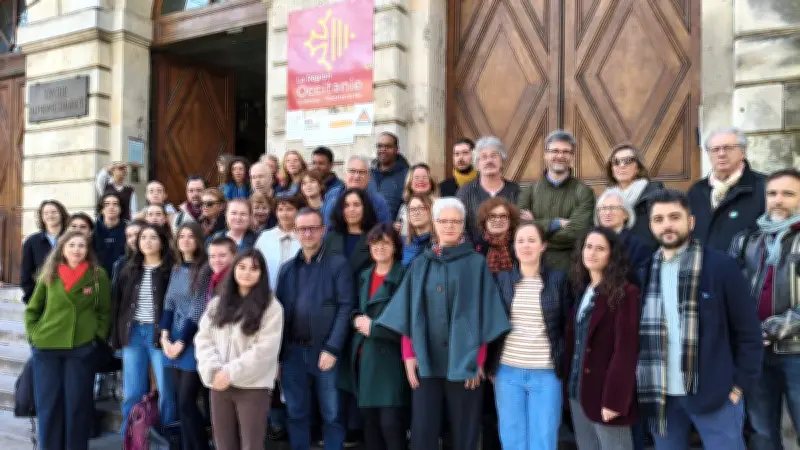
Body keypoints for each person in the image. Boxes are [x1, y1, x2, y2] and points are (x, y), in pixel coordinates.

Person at [375, 197, 511, 450]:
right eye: (444, 221)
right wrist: (408, 355)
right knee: (423, 432)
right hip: (426, 360)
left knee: (465, 433)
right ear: (434, 223)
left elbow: (485, 313)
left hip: (465, 362)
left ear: (463, 225)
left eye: (456, 221)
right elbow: (408, 310)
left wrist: (479, 360)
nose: (450, 226)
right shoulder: (420, 263)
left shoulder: (476, 263)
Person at [637, 189, 762, 449]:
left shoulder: (721, 267)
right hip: (662, 396)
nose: (667, 225)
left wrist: (739, 386)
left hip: (716, 394)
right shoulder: (644, 272)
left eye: (674, 217)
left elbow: (749, 332)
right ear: (651, 226)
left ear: (690, 221)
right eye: (659, 219)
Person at [729, 169, 800, 450]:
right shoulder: (746, 240)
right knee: (762, 433)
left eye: (788, 193)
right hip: (756, 353)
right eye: (772, 193)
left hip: (796, 352)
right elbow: (730, 292)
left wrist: (768, 329)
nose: (778, 200)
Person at [275, 207, 355, 450]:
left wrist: (332, 348)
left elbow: (346, 308)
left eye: (312, 228)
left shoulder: (338, 265)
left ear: (323, 230)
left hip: (326, 352)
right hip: (292, 353)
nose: (307, 233)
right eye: (302, 229)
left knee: (331, 414)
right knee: (296, 413)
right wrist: (278, 357)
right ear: (296, 232)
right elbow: (279, 315)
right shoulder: (287, 269)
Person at [24, 230, 111, 450]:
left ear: (87, 249)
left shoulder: (97, 275)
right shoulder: (50, 273)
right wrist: (33, 335)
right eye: (71, 245)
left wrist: (96, 337)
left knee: (78, 405)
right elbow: (33, 309)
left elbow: (105, 311)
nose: (76, 250)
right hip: (47, 347)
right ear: (62, 248)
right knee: (49, 405)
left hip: (81, 348)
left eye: (81, 246)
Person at [489, 223, 570, 450]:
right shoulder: (502, 280)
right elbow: (493, 325)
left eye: (532, 240)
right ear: (513, 247)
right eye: (520, 241)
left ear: (543, 246)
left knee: (543, 440)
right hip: (508, 372)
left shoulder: (558, 280)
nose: (526, 246)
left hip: (546, 372)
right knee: (512, 439)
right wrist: (491, 365)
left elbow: (566, 327)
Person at [195, 249, 284, 450]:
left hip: (252, 387)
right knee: (224, 445)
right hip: (219, 384)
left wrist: (230, 372)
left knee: (251, 445)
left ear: (262, 273)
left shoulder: (271, 307)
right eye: (241, 267)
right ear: (233, 269)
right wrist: (213, 369)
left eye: (254, 268)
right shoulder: (218, 304)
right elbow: (203, 339)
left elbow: (264, 350)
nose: (246, 273)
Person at [565, 227, 640, 450]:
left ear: (612, 255)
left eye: (600, 248)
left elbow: (625, 350)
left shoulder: (626, 293)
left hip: (606, 395)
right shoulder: (582, 289)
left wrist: (615, 400)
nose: (592, 253)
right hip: (578, 391)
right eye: (588, 247)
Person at [339, 224, 409, 450]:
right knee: (369, 426)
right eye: (375, 243)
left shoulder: (404, 275)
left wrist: (375, 328)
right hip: (363, 358)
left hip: (390, 359)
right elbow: (351, 307)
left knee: (390, 425)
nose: (380, 247)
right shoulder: (364, 275)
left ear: (396, 247)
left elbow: (407, 318)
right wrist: (355, 319)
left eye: (386, 243)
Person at [112, 224, 177, 434]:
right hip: (133, 334)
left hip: (160, 335)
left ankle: (166, 438)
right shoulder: (128, 269)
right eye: (143, 238)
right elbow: (118, 305)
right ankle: (130, 438)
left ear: (162, 242)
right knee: (132, 390)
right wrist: (116, 337)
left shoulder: (171, 270)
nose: (147, 241)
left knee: (167, 390)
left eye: (153, 237)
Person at [160, 223, 212, 450]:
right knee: (181, 404)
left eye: (191, 236)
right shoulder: (177, 268)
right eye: (182, 236)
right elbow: (169, 303)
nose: (186, 240)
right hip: (172, 340)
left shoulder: (205, 269)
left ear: (199, 240)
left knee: (187, 401)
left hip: (192, 340)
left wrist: (180, 341)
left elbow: (198, 307)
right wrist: (164, 337)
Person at [517, 130, 595, 271]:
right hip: (535, 269)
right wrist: (556, 223)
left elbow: (578, 233)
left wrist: (534, 226)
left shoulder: (584, 192)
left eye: (566, 152)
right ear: (545, 155)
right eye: (555, 151)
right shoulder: (528, 192)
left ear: (572, 156)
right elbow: (520, 228)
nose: (560, 156)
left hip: (571, 270)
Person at [688, 127, 766, 252]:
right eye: (715, 149)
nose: (721, 154)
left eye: (728, 148)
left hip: (743, 269)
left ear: (743, 152)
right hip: (701, 268)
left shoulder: (763, 187)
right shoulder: (696, 190)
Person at [456, 136, 520, 244]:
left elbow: (520, 225)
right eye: (484, 157)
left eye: (494, 156)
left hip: (510, 255)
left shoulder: (515, 191)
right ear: (477, 165)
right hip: (475, 255)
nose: (489, 160)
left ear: (502, 161)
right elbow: (461, 228)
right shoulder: (465, 192)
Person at [604, 144, 664, 247]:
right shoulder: (605, 199)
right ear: (612, 170)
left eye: (628, 160)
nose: (622, 165)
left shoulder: (656, 194)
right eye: (616, 162)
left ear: (638, 168)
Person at [21, 200, 69, 303]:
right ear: (41, 217)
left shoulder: (71, 239)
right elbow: (26, 274)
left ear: (61, 214)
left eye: (54, 212)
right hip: (43, 297)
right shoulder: (32, 241)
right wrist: (33, 297)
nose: (50, 215)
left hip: (68, 296)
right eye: (45, 213)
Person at [325, 188, 379, 279]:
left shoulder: (376, 237)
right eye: (346, 205)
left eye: (356, 205)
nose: (351, 209)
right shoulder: (331, 237)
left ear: (365, 207)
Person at [595, 188, 653, 272]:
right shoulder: (590, 241)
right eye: (603, 208)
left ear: (626, 214)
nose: (607, 213)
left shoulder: (639, 245)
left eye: (613, 208)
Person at [323, 155, 392, 225]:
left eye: (361, 172)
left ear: (368, 177)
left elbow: (385, 231)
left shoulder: (378, 202)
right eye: (352, 171)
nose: (356, 176)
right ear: (344, 174)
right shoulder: (332, 195)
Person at [255, 195, 302, 291]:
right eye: (280, 209)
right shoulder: (265, 237)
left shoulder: (304, 238)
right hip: (269, 292)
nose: (284, 214)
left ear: (298, 211)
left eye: (289, 209)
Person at [474, 197, 520, 273]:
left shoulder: (519, 245)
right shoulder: (475, 248)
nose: (498, 220)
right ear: (484, 220)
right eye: (492, 216)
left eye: (503, 216)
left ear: (510, 221)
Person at [371, 131, 410, 220]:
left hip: (392, 231)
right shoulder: (368, 174)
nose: (383, 149)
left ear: (396, 149)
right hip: (369, 231)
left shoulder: (407, 175)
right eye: (380, 146)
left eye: (388, 146)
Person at [395, 163, 437, 236]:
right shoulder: (403, 207)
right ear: (410, 183)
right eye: (416, 178)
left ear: (431, 182)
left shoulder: (439, 205)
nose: (421, 181)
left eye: (424, 177)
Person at [94, 193, 126, 277]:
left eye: (115, 204)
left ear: (121, 208)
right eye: (107, 204)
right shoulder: (92, 230)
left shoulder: (129, 230)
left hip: (122, 276)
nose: (111, 207)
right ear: (101, 209)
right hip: (97, 277)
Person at [402, 193, 434, 267]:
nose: (416, 213)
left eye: (421, 208)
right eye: (412, 209)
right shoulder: (403, 242)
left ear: (431, 211)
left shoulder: (438, 244)